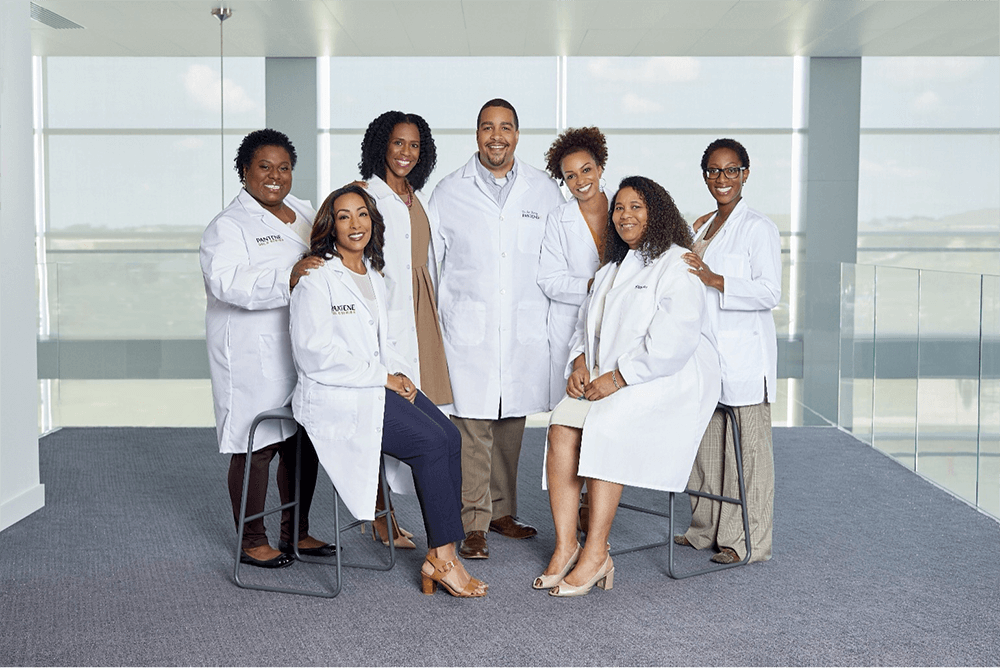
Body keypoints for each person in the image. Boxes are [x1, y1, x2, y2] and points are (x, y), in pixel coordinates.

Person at [289, 185, 486, 598]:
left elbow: (383, 342)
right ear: (330, 225)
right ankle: (443, 558)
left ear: (373, 223)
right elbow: (315, 355)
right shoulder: (316, 278)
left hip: (374, 384)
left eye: (362, 214)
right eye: (344, 216)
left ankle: (446, 551)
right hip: (336, 395)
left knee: (449, 435)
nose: (355, 224)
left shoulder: (373, 275)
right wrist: (383, 377)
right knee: (430, 444)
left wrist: (400, 374)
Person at [538, 176, 721, 597]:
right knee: (562, 426)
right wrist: (580, 361)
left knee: (607, 426)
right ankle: (567, 544)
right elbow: (586, 327)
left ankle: (597, 552)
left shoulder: (678, 263)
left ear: (655, 212)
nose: (625, 215)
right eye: (619, 208)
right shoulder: (612, 269)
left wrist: (619, 377)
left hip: (664, 378)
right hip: (609, 376)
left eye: (635, 206)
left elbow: (674, 342)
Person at [428, 98, 564, 560]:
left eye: (505, 127)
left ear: (518, 135)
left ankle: (503, 512)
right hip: (468, 331)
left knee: (510, 425)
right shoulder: (448, 192)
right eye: (488, 127)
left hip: (522, 331)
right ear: (476, 134)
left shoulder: (544, 191)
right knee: (473, 429)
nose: (496, 136)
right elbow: (430, 266)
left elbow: (559, 255)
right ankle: (473, 523)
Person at [200, 129, 334, 569]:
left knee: (301, 441)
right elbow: (226, 283)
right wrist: (289, 277)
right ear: (244, 171)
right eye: (264, 167)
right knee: (256, 445)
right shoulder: (228, 226)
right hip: (251, 353)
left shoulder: (302, 211)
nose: (275, 176)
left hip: (298, 346)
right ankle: (252, 538)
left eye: (284, 168)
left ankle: (295, 532)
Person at [676, 138, 781, 565]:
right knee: (707, 448)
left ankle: (745, 542)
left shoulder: (758, 227)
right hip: (707, 356)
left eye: (731, 170)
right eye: (715, 171)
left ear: (746, 174)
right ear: (705, 176)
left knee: (748, 456)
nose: (723, 179)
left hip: (744, 358)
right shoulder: (706, 226)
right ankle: (705, 529)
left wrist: (719, 280)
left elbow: (770, 291)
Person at [357, 111, 452, 549]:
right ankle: (379, 514)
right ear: (381, 145)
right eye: (398, 143)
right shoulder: (366, 195)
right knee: (380, 412)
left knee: (421, 408)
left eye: (414, 145)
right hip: (385, 313)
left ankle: (396, 513)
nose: (406, 153)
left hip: (420, 311)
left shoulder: (417, 197)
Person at [537, 126, 610, 410]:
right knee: (571, 412)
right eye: (570, 176)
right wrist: (593, 285)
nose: (580, 181)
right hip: (570, 326)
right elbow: (549, 280)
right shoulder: (558, 219)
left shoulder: (624, 205)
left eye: (586, 170)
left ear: (600, 168)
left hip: (616, 320)